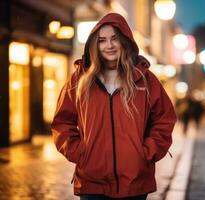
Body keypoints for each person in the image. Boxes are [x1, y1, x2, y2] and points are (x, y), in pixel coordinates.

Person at [51, 13, 177, 200]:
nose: (108, 45)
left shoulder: (144, 79)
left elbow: (164, 118)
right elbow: (62, 121)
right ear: (95, 45)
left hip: (134, 182)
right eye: (102, 40)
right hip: (92, 182)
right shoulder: (79, 80)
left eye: (114, 39)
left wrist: (146, 152)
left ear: (124, 41)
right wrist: (80, 152)